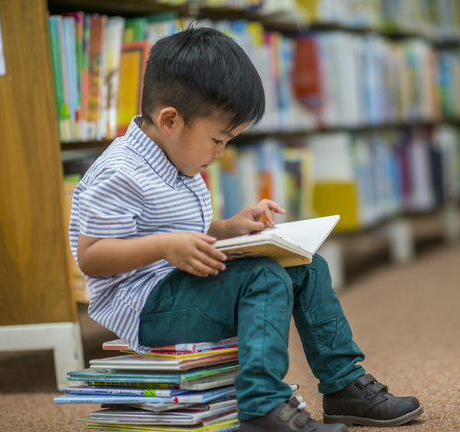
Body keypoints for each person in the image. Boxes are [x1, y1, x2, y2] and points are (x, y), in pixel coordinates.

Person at [69, 26, 422, 432]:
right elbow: (92, 256)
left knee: (306, 265)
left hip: (183, 283)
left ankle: (344, 387)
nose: (220, 153)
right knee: (263, 277)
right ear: (170, 120)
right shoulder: (119, 173)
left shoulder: (176, 158)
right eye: (218, 139)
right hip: (147, 307)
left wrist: (227, 227)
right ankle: (262, 408)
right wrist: (166, 246)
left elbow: (186, 232)